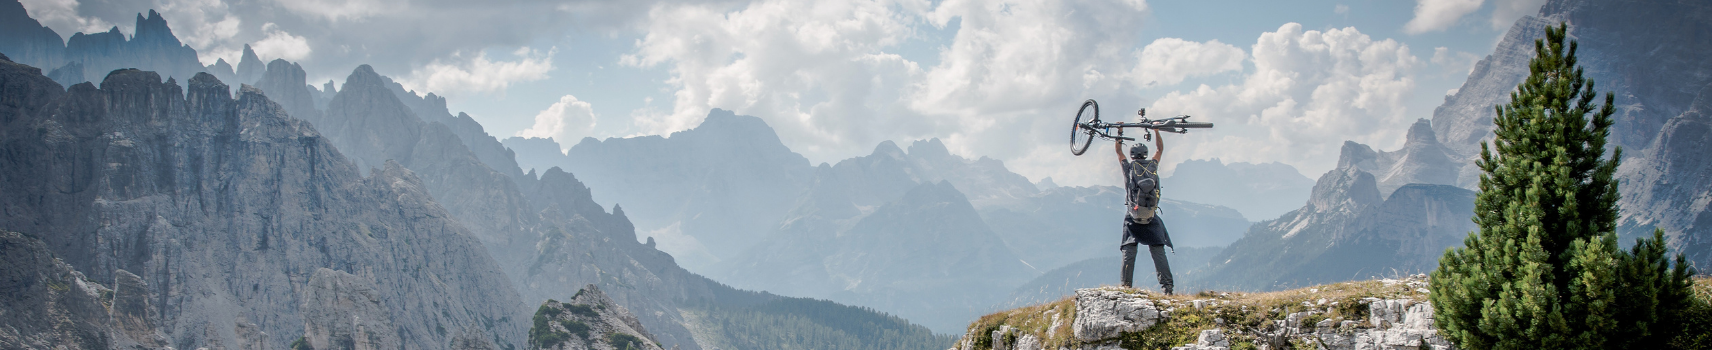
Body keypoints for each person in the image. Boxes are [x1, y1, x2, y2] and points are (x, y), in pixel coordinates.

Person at [1116, 114, 1173, 295]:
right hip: (1151, 216)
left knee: (1129, 251)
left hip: (1132, 216)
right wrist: (1156, 130)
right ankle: (1167, 288)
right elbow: (1160, 148)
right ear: (1145, 155)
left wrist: (1120, 131)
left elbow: (1118, 152)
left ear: (1132, 156)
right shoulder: (1153, 165)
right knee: (1158, 251)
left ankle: (1126, 287)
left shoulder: (1129, 167)